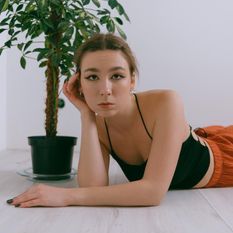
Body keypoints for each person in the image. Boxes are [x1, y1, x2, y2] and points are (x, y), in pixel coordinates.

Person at [6, 33, 233, 208]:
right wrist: (86, 115)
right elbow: (93, 186)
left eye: (117, 76)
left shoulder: (166, 102)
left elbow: (152, 192)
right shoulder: (99, 123)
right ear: (79, 83)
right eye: (92, 77)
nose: (105, 90)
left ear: (132, 79)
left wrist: (65, 196)